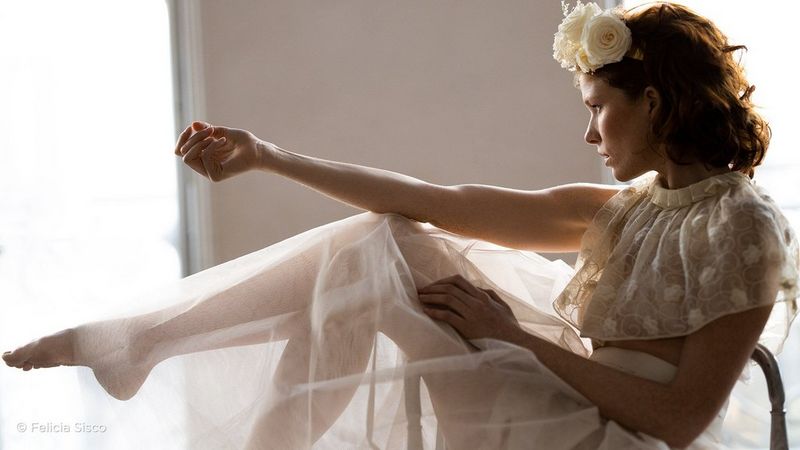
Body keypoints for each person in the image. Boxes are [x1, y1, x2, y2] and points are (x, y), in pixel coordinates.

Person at [3, 1, 798, 448]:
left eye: (599, 111)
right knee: (389, 245)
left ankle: (142, 342)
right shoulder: (626, 213)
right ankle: (144, 343)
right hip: (564, 400)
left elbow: (680, 420)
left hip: (616, 438)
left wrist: (515, 339)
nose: (590, 136)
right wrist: (267, 156)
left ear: (652, 103)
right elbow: (430, 197)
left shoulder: (747, 227)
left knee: (379, 266)